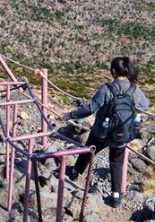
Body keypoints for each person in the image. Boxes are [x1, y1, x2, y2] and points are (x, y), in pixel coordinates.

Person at [62, 56, 149, 208]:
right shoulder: (135, 90)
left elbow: (90, 108)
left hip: (101, 132)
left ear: (113, 71)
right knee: (116, 162)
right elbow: (145, 106)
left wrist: (70, 115)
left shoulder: (107, 89)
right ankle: (115, 196)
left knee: (89, 150)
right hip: (123, 135)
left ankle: (75, 172)